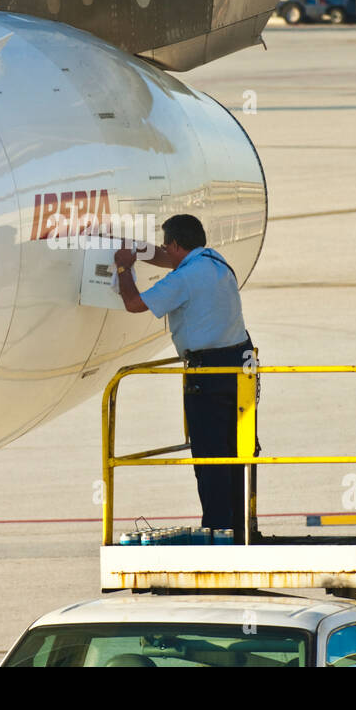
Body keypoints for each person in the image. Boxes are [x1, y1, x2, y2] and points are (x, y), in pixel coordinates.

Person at [113, 214, 257, 542]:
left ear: (177, 244)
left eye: (167, 245)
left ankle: (218, 532)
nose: (164, 251)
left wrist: (124, 267)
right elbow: (168, 258)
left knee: (210, 458)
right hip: (241, 368)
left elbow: (135, 303)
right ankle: (238, 529)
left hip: (208, 373)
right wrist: (138, 249)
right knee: (239, 453)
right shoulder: (214, 261)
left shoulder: (184, 279)